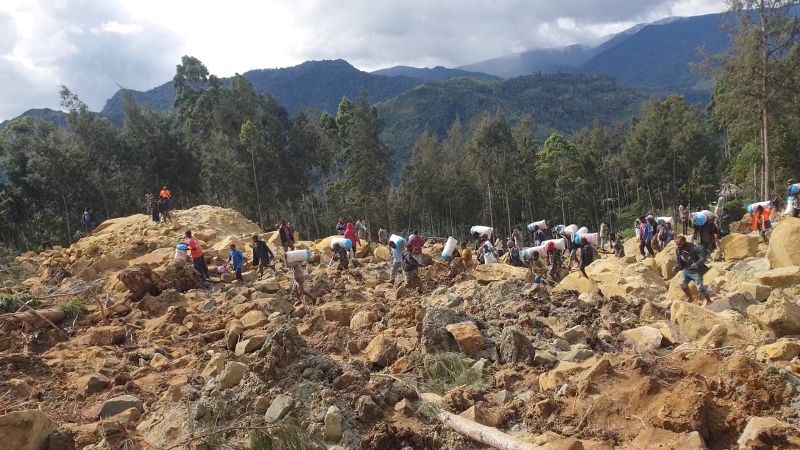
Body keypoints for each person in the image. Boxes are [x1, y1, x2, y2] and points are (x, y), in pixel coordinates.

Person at [675, 235, 711, 305]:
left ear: (684, 242)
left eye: (679, 243)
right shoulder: (678, 249)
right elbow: (678, 259)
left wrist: (697, 263)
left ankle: (709, 300)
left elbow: (703, 257)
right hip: (686, 270)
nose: (678, 245)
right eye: (677, 244)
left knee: (700, 288)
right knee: (682, 284)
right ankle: (690, 297)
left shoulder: (693, 248)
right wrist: (677, 266)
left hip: (696, 271)